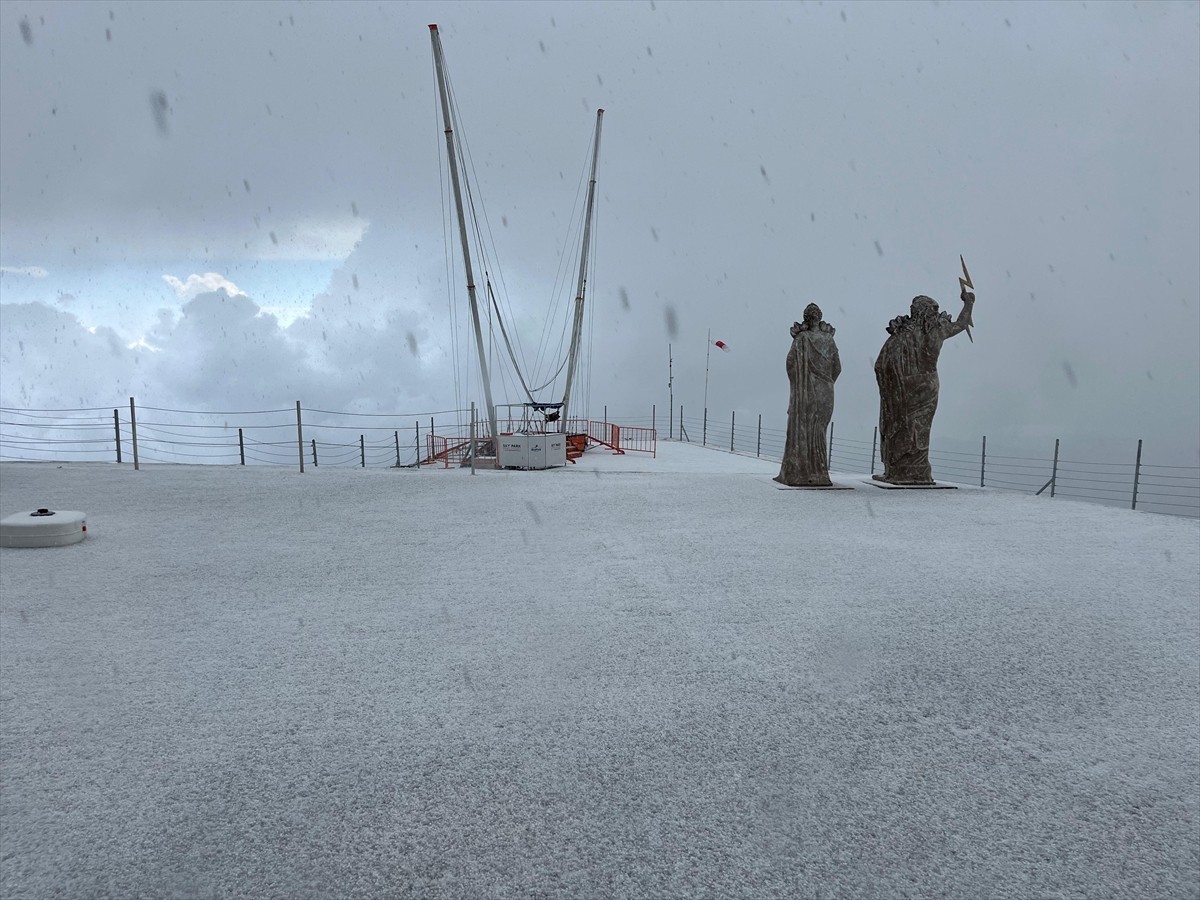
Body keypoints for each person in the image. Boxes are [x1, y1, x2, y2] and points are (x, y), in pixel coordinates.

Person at [873, 287, 975, 484]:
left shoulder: (900, 335)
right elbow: (962, 324)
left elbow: (880, 365)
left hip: (904, 387)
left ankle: (900, 470)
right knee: (919, 427)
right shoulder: (936, 330)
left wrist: (891, 384)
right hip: (927, 386)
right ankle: (914, 470)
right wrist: (969, 303)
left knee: (902, 424)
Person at [776, 303, 841, 487]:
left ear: (806, 318)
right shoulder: (829, 340)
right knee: (819, 432)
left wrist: (801, 382)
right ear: (819, 317)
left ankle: (801, 471)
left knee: (804, 431)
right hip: (825, 392)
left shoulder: (802, 339)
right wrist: (826, 381)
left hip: (807, 392)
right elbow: (837, 367)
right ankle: (819, 471)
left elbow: (790, 365)